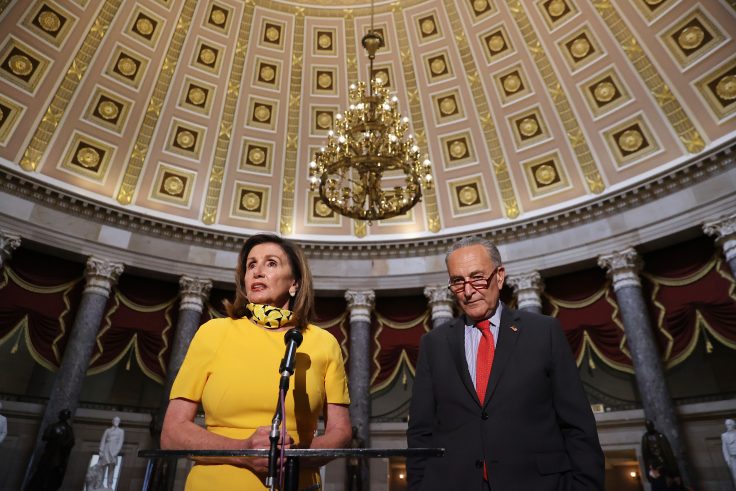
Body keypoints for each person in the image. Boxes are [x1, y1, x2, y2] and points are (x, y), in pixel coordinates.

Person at [407, 237, 604, 491]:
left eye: (477, 277)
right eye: (458, 282)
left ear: (499, 277)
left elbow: (578, 425)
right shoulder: (433, 344)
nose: (468, 291)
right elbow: (420, 431)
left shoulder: (543, 332)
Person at [162, 233, 352, 490]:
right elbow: (173, 432)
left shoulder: (324, 342)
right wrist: (243, 450)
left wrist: (290, 456)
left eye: (271, 263)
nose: (257, 272)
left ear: (294, 283)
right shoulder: (213, 332)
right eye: (251, 265)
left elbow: (341, 432)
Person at [26, 408, 75, 491]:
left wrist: (63, 443)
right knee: (43, 471)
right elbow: (45, 436)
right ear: (60, 416)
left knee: (55, 473)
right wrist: (55, 438)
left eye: (66, 415)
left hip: (60, 454)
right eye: (63, 415)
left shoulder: (69, 429)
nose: (64, 417)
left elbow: (71, 442)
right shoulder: (52, 426)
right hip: (50, 452)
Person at [641, 419, 681, 488]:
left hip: (665, 464)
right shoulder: (645, 438)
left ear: (653, 426)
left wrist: (675, 473)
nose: (649, 427)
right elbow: (645, 454)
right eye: (647, 426)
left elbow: (668, 452)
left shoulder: (660, 436)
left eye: (650, 425)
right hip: (654, 464)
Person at [99, 416, 124, 488]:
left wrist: (115, 453)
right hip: (106, 449)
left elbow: (120, 443)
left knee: (111, 469)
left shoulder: (121, 431)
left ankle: (109, 485)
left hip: (114, 451)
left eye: (118, 421)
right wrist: (101, 450)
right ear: (112, 421)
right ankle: (100, 484)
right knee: (102, 468)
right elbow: (103, 441)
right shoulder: (107, 430)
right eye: (115, 421)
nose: (117, 422)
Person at [346, 426, 365, 491]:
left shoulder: (360, 441)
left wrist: (365, 463)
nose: (354, 432)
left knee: (359, 479)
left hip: (357, 462)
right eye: (353, 431)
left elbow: (364, 453)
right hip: (350, 462)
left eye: (355, 431)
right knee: (350, 479)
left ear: (356, 432)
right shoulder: (348, 441)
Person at [722, 418, 736, 487]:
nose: (728, 426)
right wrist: (727, 460)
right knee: (735, 476)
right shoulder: (724, 435)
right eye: (727, 425)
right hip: (732, 458)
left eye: (730, 424)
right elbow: (724, 448)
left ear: (733, 424)